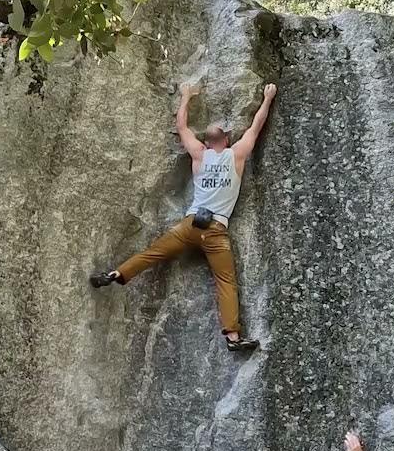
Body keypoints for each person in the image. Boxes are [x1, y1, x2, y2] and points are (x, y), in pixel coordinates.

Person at [89, 81, 277, 352]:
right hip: (215, 230)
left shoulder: (198, 155)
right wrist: (267, 98)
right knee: (225, 281)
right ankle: (233, 338)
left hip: (189, 225)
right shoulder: (237, 155)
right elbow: (256, 127)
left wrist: (187, 96)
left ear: (207, 142)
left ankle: (116, 273)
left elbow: (182, 127)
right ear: (225, 140)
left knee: (153, 253)